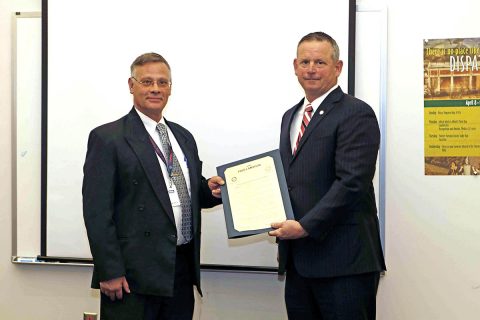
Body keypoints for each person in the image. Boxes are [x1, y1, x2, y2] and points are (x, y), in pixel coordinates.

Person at [82, 52, 224, 320]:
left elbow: (186, 189)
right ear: (131, 85)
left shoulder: (183, 136)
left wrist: (210, 190)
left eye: (163, 82)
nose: (156, 88)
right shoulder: (108, 138)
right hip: (132, 276)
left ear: (170, 87)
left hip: (180, 268)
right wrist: (109, 271)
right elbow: (97, 212)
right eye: (147, 82)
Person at [269, 32, 386, 320]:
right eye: (305, 61)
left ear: (338, 67)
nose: (311, 69)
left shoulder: (355, 113)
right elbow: (292, 180)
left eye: (320, 62)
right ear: (295, 66)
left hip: (344, 263)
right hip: (299, 262)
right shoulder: (290, 116)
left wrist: (305, 226)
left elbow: (352, 183)